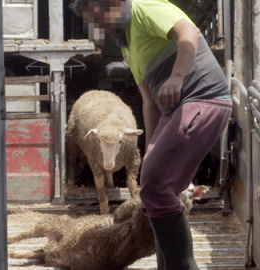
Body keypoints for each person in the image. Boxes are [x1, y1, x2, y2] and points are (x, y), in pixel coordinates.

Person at [69, 0, 232, 269]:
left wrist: (177, 77)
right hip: (176, 110)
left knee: (156, 188)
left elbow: (189, 33)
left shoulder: (143, 7)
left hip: (202, 98)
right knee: (151, 189)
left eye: (97, 18)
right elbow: (149, 101)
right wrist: (151, 149)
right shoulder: (128, 47)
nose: (98, 27)